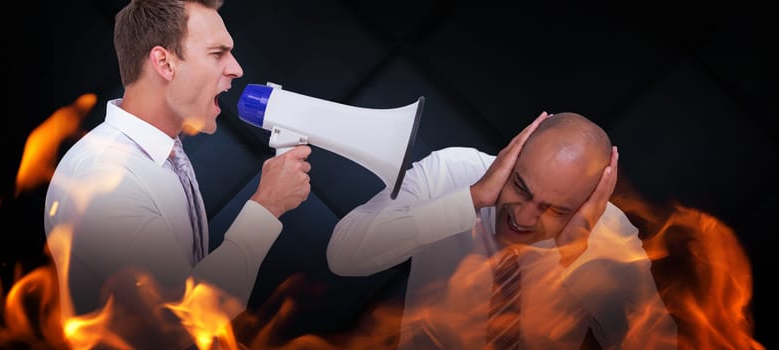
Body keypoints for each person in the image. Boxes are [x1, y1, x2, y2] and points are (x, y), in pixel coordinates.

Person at [43, 0, 311, 347]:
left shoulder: (162, 155)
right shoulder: (105, 176)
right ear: (164, 62)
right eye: (217, 53)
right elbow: (185, 314)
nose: (236, 69)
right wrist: (266, 207)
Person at [327, 112, 678, 349]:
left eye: (555, 210)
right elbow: (343, 255)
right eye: (520, 187)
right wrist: (472, 199)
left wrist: (579, 260)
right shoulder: (451, 172)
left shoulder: (609, 232)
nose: (524, 218)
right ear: (511, 154)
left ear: (588, 203)